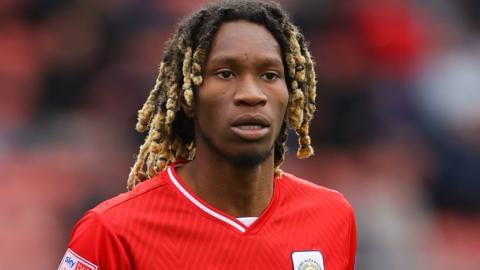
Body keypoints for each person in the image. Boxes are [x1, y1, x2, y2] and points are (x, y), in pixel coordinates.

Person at [58, 1, 356, 269]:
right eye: (226, 73)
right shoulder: (112, 231)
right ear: (188, 97)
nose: (252, 95)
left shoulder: (332, 216)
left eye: (270, 75)